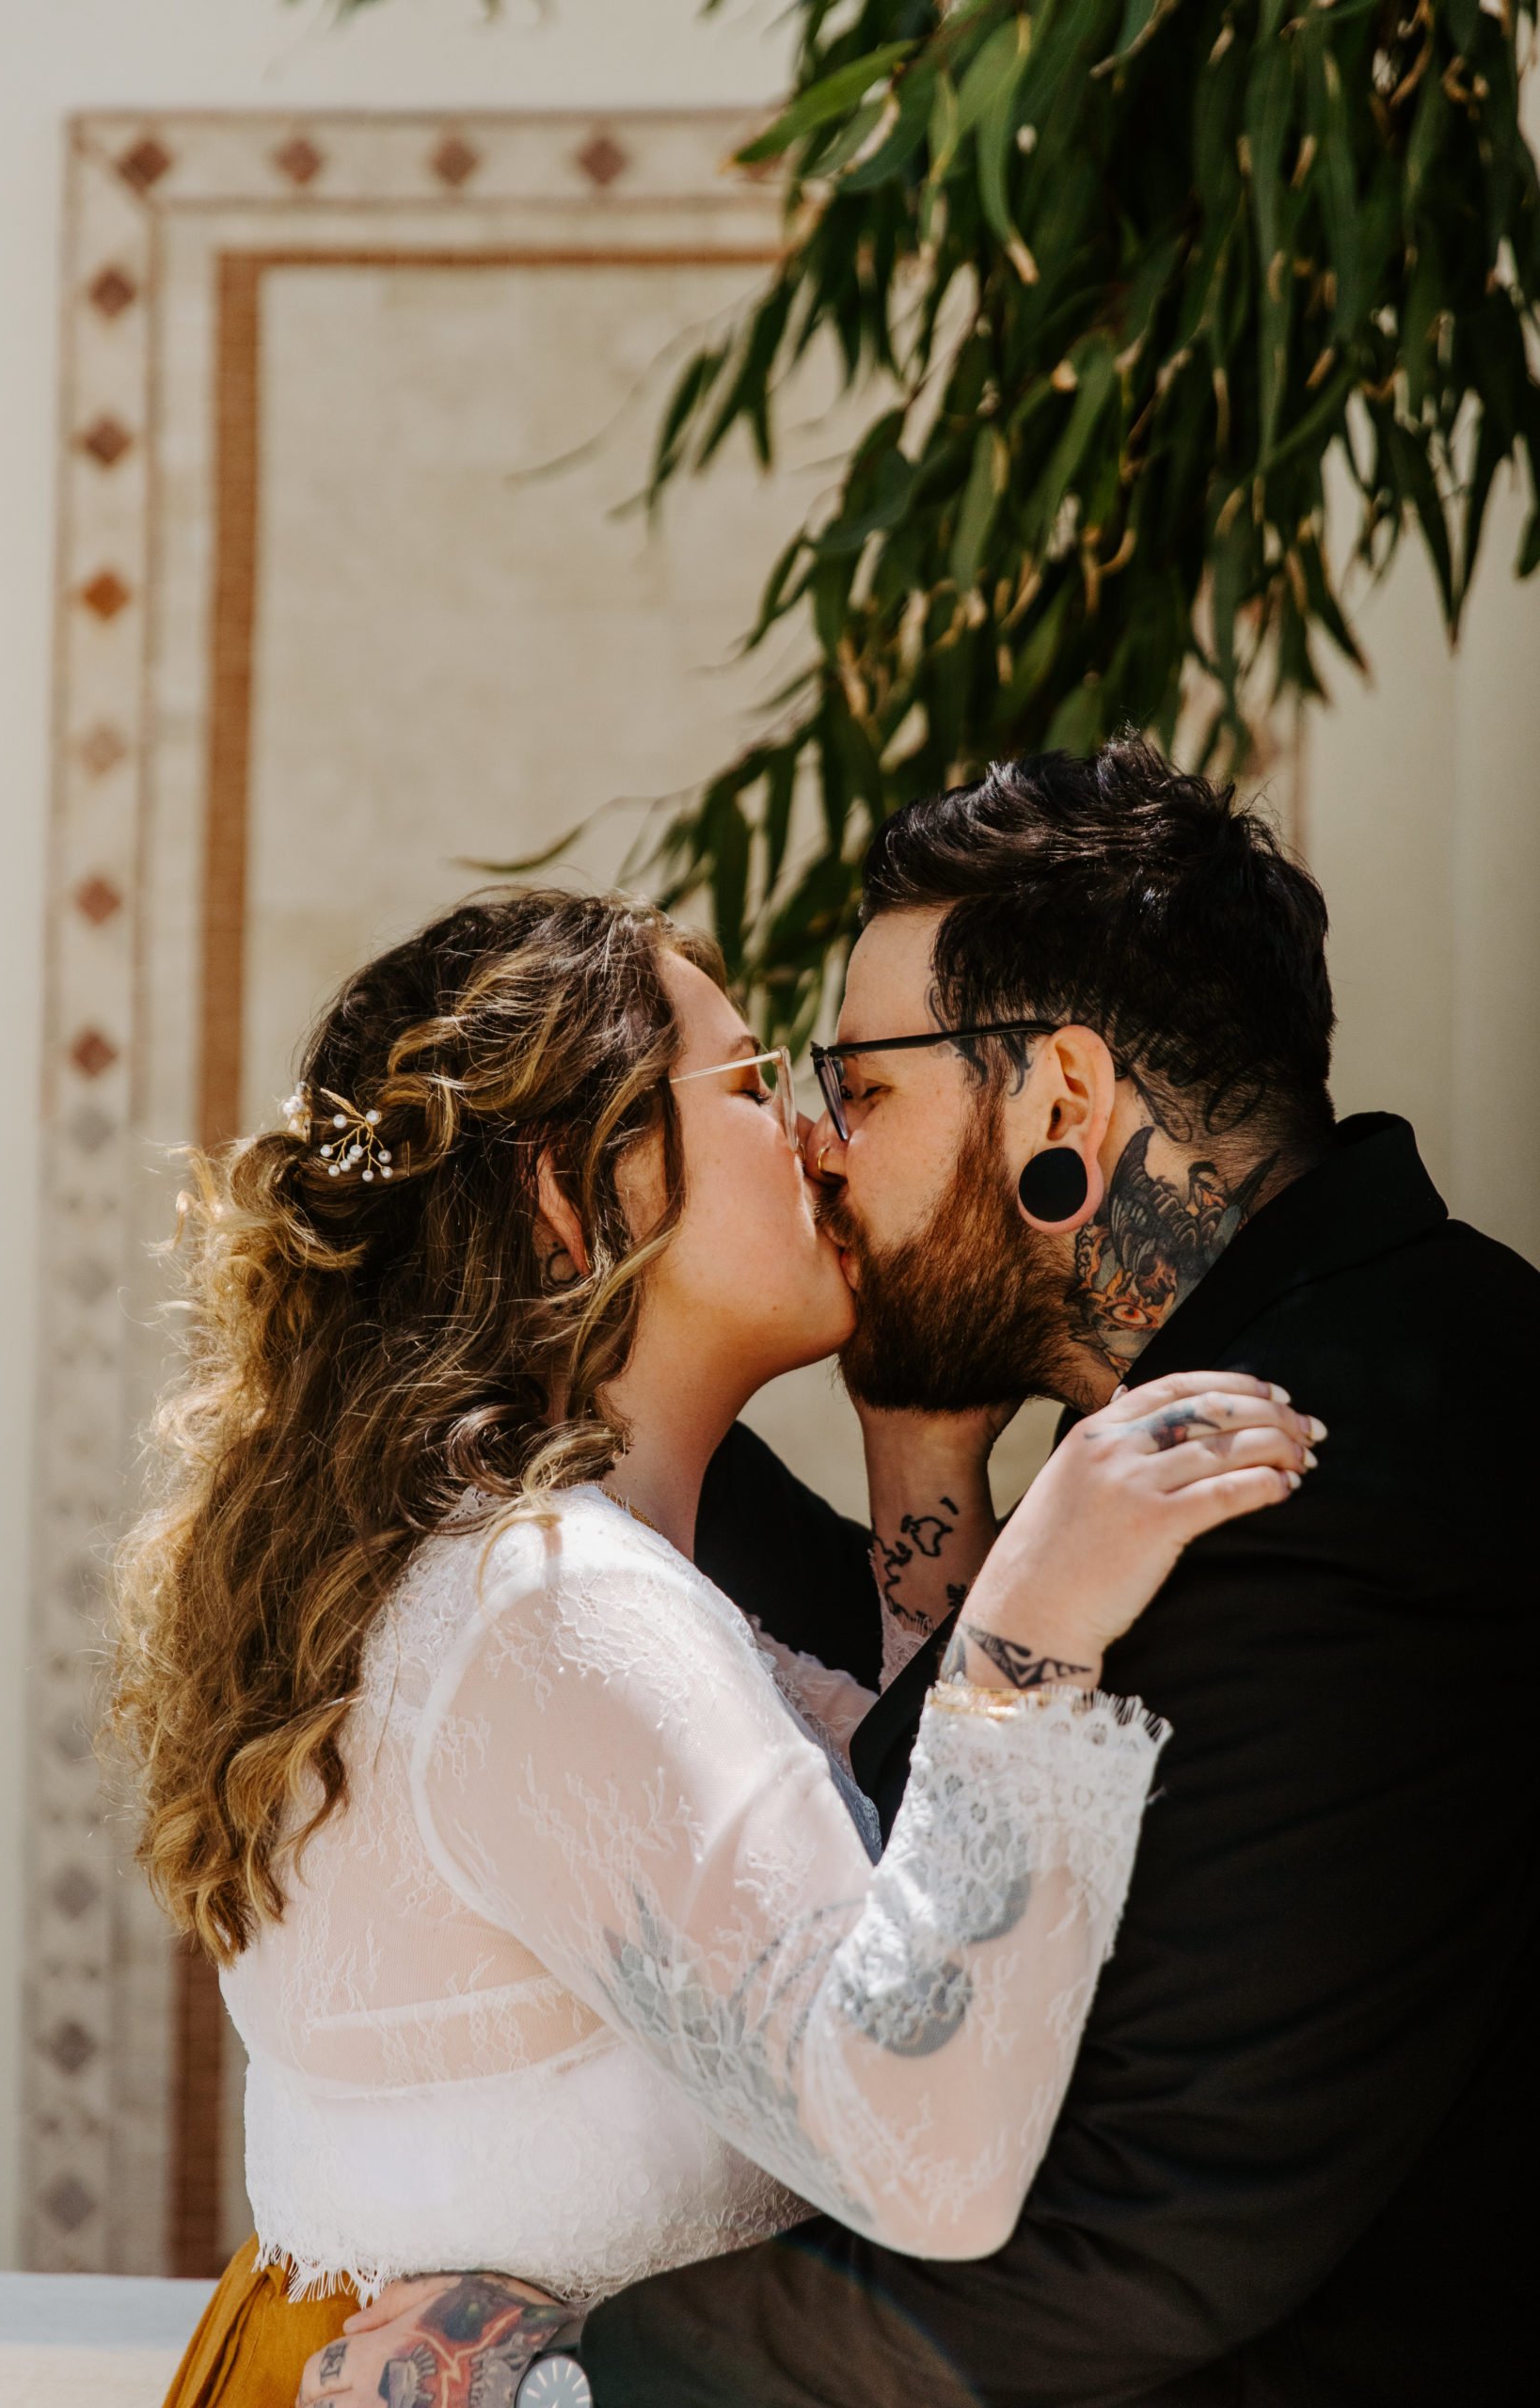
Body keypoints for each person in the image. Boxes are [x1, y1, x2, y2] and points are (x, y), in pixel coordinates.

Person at [330, 739, 1535, 2408]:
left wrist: (567, 2371)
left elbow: (1142, 2224)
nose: (823, 1146)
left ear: (1061, 1103)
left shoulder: (1322, 1465)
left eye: (863, 1087)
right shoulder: (1240, 1388)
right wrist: (915, 1451)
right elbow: (881, 1800)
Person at [113, 883, 1310, 2408]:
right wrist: (1035, 1632)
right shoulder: (553, 1610)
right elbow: (920, 2149)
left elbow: (894, 1889)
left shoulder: (510, 1577)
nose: (819, 1136)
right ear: (569, 1197)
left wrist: (919, 1459)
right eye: (750, 1087)